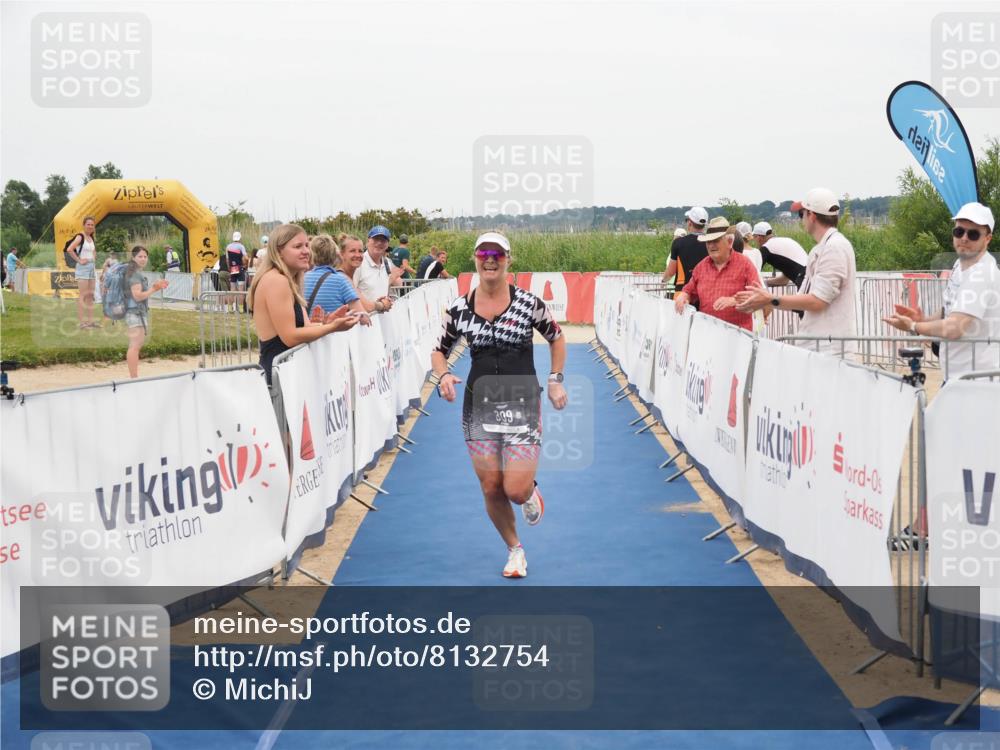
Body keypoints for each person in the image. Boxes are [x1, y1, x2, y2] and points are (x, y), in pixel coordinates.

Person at [432, 231, 567, 579]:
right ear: (475, 259)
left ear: (509, 259)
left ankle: (530, 490)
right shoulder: (459, 309)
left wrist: (555, 380)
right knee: (491, 485)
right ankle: (514, 549)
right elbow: (438, 350)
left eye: (497, 254)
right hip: (478, 406)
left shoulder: (528, 303)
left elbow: (556, 336)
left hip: (522, 403)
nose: (490, 259)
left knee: (515, 490)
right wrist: (443, 375)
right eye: (483, 254)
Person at [883, 202, 999, 377]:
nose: (964, 238)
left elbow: (954, 328)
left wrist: (915, 325)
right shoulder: (960, 264)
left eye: (973, 234)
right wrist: (923, 318)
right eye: (959, 231)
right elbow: (950, 308)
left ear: (987, 239)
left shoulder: (982, 273)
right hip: (959, 373)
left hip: (977, 378)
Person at [736, 187, 857, 354]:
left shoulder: (834, 248)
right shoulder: (824, 247)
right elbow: (805, 299)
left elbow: (818, 301)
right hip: (820, 345)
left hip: (828, 349)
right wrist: (769, 299)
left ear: (812, 216)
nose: (801, 220)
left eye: (802, 214)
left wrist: (770, 299)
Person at [248, 224, 359, 385]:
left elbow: (304, 327)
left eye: (307, 245)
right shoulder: (276, 281)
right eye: (298, 246)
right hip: (278, 378)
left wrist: (324, 323)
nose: (306, 251)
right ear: (279, 251)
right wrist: (332, 327)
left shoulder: (291, 281)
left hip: (287, 374)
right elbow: (290, 337)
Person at [673, 218, 759, 331]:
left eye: (716, 240)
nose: (711, 245)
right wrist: (684, 296)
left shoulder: (745, 265)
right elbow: (689, 290)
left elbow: (758, 296)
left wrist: (733, 300)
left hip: (738, 339)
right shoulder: (701, 267)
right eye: (708, 242)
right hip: (708, 335)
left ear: (729, 242)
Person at [122, 246, 170, 378]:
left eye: (145, 256)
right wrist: (154, 288)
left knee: (135, 346)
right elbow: (137, 296)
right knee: (134, 346)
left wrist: (155, 286)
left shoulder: (134, 273)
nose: (143, 259)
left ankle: (134, 376)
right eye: (140, 256)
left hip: (135, 312)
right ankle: (134, 378)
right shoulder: (135, 274)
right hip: (135, 313)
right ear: (133, 258)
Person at [303, 235, 371, 324]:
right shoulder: (341, 280)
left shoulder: (302, 279)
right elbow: (363, 318)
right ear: (336, 254)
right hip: (336, 335)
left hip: (310, 335)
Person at [338, 233, 394, 313]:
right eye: (352, 251)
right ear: (342, 254)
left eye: (360, 251)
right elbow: (367, 307)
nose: (357, 255)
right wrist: (382, 305)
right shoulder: (343, 278)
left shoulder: (346, 277)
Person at [663, 206, 709, 296]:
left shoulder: (678, 243)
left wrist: (663, 280)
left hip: (682, 291)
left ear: (690, 223)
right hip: (704, 292)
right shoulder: (710, 243)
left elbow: (671, 271)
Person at [750, 221, 808, 288]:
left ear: (759, 238)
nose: (754, 240)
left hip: (804, 278)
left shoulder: (766, 248)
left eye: (754, 237)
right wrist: (765, 282)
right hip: (812, 275)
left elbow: (753, 273)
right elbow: (783, 280)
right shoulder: (785, 241)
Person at [65, 216, 98, 328]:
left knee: (90, 295)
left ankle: (90, 322)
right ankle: (82, 323)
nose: (90, 226)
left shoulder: (91, 238)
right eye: (88, 224)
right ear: (84, 225)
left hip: (91, 267)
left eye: (92, 225)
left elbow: (93, 251)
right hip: (83, 267)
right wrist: (79, 260)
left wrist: (93, 258)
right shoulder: (80, 236)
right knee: (83, 295)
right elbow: (69, 249)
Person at [355, 225, 401, 307]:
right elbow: (351, 293)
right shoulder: (359, 263)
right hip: (365, 317)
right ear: (368, 241)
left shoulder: (388, 263)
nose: (379, 242)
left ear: (387, 245)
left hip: (382, 316)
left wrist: (394, 279)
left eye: (383, 240)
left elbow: (399, 284)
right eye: (376, 239)